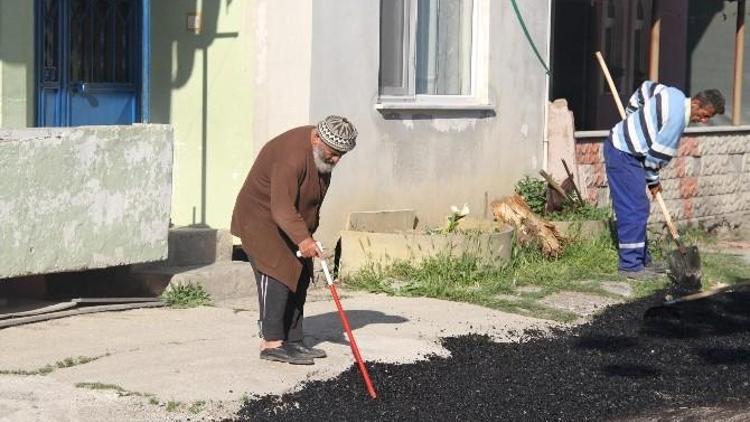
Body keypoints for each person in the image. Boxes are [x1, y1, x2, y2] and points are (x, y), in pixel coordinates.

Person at [231, 115, 357, 365]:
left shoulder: (320, 156)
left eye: (341, 155)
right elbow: (280, 207)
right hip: (261, 220)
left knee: (299, 275)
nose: (336, 159)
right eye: (333, 153)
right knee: (276, 273)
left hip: (291, 222)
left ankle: (294, 339)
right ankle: (271, 343)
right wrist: (303, 239)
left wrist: (306, 235)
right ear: (317, 138)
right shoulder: (290, 157)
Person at [604, 80, 724, 279]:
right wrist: (654, 183)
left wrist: (632, 114)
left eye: (708, 118)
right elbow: (653, 160)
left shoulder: (673, 94)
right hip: (623, 153)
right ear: (696, 104)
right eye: (704, 115)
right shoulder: (675, 125)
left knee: (640, 207)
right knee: (633, 208)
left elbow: (645, 88)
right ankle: (630, 266)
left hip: (628, 151)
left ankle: (643, 260)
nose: (703, 121)